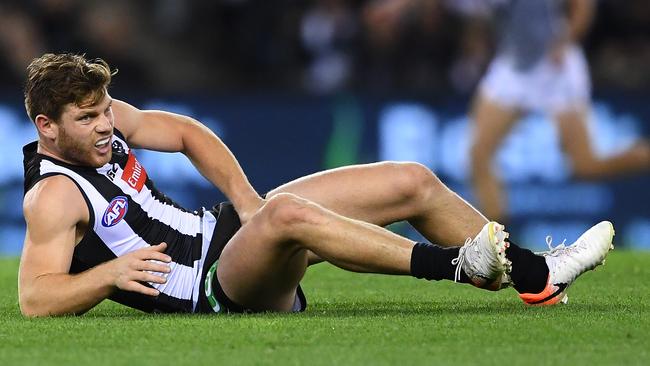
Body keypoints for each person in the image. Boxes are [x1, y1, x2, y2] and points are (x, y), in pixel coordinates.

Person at [19, 53, 613, 317]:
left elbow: (184, 132)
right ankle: (459, 265)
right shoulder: (54, 194)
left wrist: (248, 200)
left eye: (104, 112)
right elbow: (35, 298)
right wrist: (109, 276)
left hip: (223, 234)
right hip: (208, 287)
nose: (105, 126)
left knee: (410, 179)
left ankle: (538, 277)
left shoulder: (95, 120)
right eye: (87, 119)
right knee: (287, 217)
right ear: (47, 127)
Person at [469, 0, 650, 222]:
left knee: (585, 167)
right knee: (479, 155)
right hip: (515, 64)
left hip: (554, 66)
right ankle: (498, 241)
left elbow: (583, 5)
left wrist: (565, 41)